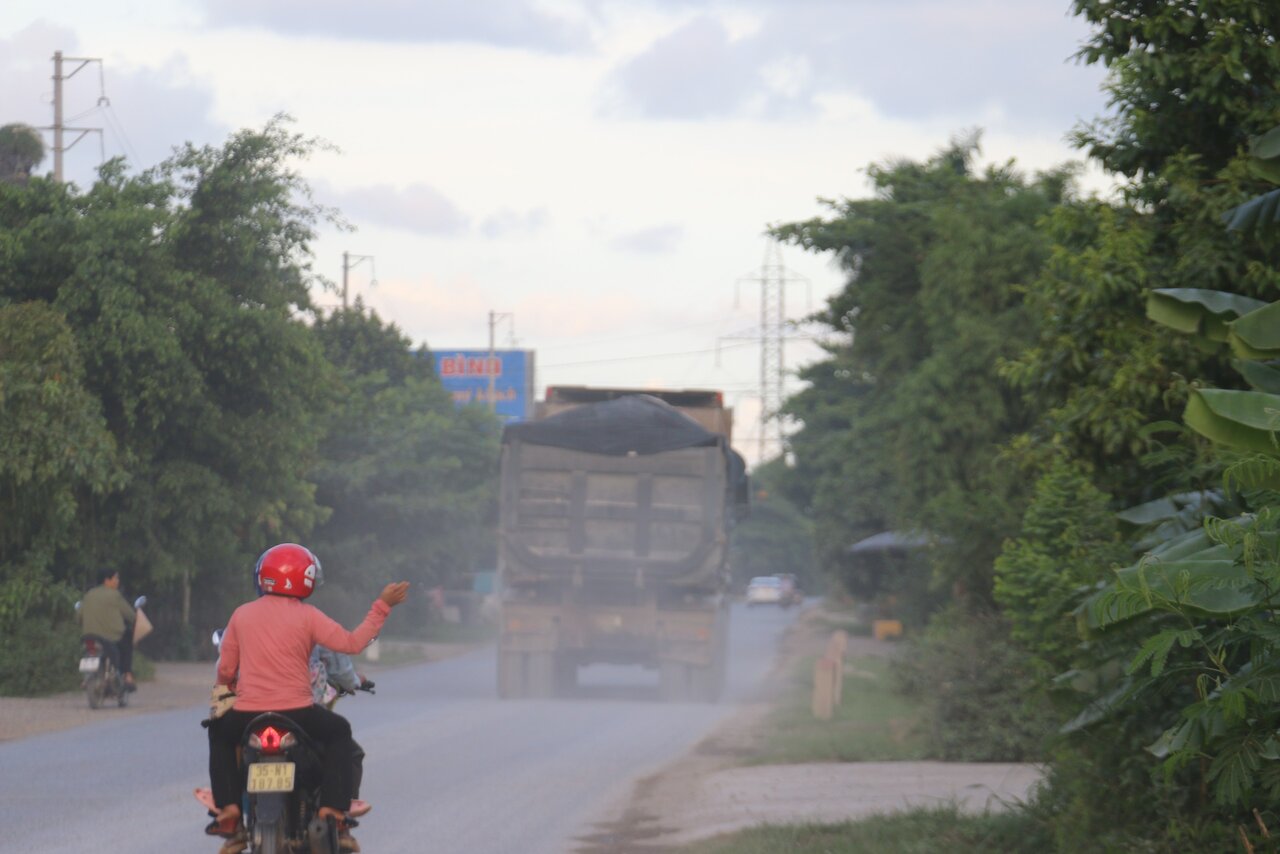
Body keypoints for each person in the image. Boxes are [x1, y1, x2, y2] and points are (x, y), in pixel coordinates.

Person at [205, 543, 409, 852]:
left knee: (219, 732)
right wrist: (382, 606)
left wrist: (233, 684)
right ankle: (332, 812)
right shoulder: (309, 616)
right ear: (308, 579)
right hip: (298, 713)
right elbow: (352, 643)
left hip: (248, 714)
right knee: (340, 732)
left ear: (263, 577)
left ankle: (230, 810)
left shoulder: (242, 614)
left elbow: (226, 671)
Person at [77, 568, 137, 691]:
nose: (118, 581)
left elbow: (78, 617)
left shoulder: (89, 594)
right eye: (116, 578)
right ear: (107, 580)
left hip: (88, 637)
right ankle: (127, 675)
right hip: (110, 638)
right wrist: (136, 619)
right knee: (128, 639)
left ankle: (89, 678)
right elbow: (130, 615)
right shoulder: (115, 595)